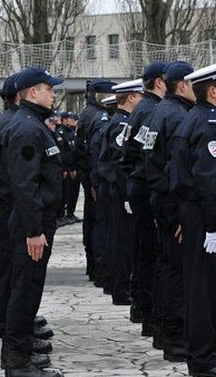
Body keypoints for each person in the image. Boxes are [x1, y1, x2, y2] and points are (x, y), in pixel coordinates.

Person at [169, 59, 216, 377]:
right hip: (205, 215)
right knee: (204, 288)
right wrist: (212, 225)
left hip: (194, 213)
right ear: (213, 91)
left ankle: (201, 348)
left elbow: (183, 174)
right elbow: (207, 180)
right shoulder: (209, 124)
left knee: (199, 284)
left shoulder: (193, 118)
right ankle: (203, 358)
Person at [2, 67, 64, 377]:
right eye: (48, 88)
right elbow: (25, 185)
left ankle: (20, 352)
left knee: (28, 289)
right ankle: (17, 364)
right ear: (31, 93)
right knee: (25, 291)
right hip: (33, 224)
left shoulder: (33, 124)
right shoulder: (26, 128)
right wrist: (34, 230)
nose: (53, 93)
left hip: (37, 220)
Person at [144, 61, 196, 360]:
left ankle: (165, 330)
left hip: (159, 196)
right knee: (176, 270)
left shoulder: (160, 111)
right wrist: (179, 213)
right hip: (170, 200)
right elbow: (176, 167)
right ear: (183, 85)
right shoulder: (177, 115)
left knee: (166, 266)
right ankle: (176, 336)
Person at [122, 61, 167, 333]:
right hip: (146, 185)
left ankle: (141, 306)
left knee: (144, 251)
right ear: (160, 82)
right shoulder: (153, 109)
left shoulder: (142, 108)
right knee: (151, 253)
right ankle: (149, 312)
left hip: (137, 183)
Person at [97, 79, 143, 305]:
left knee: (120, 240)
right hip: (118, 191)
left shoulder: (121, 121)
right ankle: (121, 290)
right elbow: (118, 163)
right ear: (132, 97)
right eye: (140, 96)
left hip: (115, 190)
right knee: (122, 242)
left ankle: (119, 286)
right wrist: (127, 194)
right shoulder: (121, 124)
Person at [76, 80, 117, 283]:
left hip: (89, 177)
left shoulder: (87, 113)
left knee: (93, 222)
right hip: (96, 179)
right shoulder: (100, 117)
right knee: (102, 225)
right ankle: (100, 269)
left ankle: (94, 265)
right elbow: (97, 154)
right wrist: (94, 181)